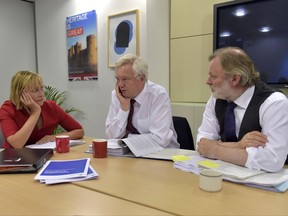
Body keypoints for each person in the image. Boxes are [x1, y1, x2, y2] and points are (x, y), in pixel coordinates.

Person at [197, 47, 288, 172]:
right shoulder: (216, 98)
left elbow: (272, 160)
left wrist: (216, 149)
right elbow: (202, 143)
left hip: (263, 181)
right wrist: (238, 145)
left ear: (235, 79)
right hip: (225, 173)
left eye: (213, 76)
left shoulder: (273, 102)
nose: (208, 81)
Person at [105, 54, 179, 148]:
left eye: (125, 79)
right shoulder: (117, 95)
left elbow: (160, 139)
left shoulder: (158, 95)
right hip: (128, 154)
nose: (120, 85)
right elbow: (110, 136)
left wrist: (126, 139)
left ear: (142, 78)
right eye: (117, 79)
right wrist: (124, 109)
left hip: (161, 153)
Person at [0, 70, 84, 148]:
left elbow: (79, 131)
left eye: (41, 88)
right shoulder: (7, 109)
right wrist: (35, 112)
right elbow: (17, 144)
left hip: (42, 156)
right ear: (20, 93)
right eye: (35, 90)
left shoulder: (51, 106)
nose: (41, 94)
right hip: (14, 158)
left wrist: (54, 137)